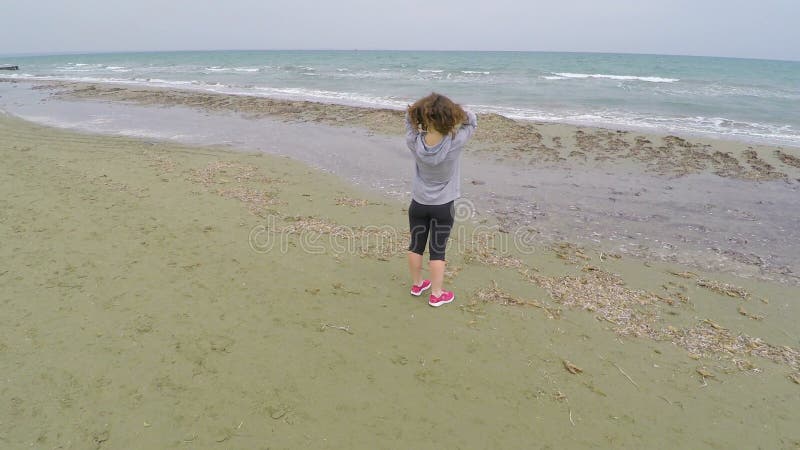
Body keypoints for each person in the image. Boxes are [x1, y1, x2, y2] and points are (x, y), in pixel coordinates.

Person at [404, 92, 477, 307]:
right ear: (449, 117)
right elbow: (472, 121)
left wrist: (420, 111)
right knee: (438, 250)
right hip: (443, 206)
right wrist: (453, 111)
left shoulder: (414, 141)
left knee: (416, 245)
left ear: (424, 117)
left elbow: (407, 118)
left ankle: (417, 284)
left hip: (418, 204)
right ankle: (436, 294)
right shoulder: (455, 142)